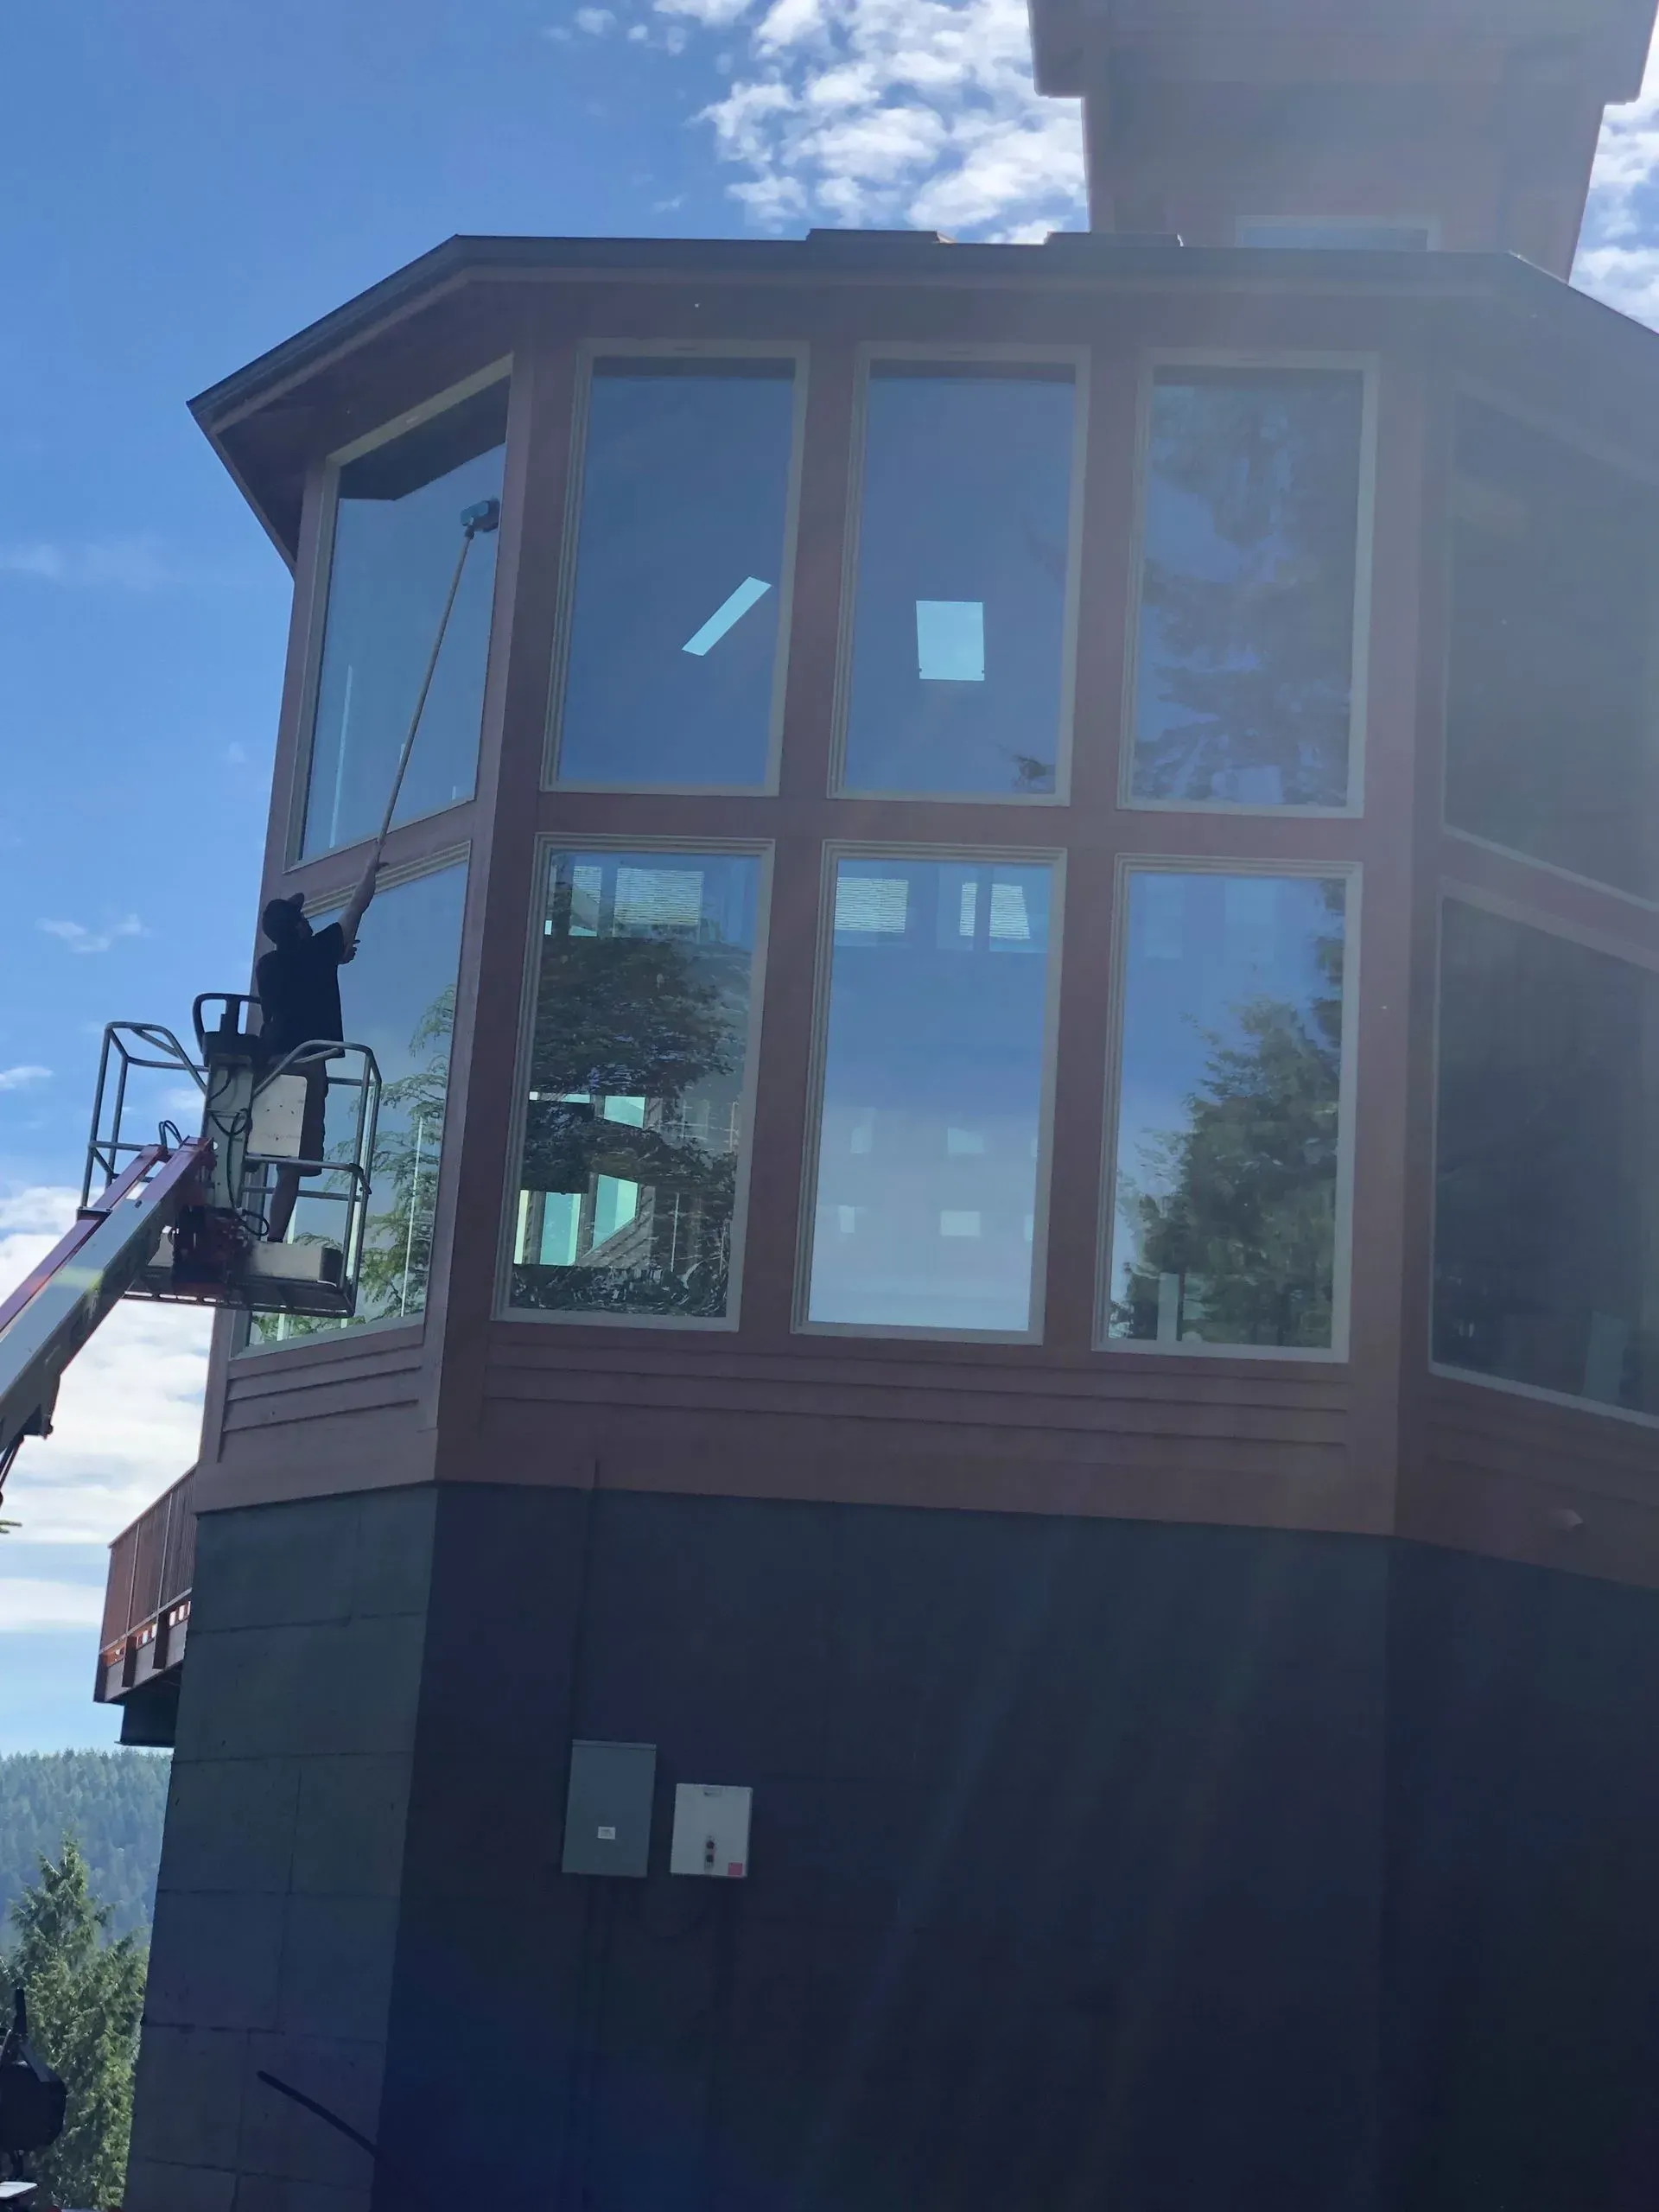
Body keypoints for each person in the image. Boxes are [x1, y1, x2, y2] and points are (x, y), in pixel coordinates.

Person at [256, 852, 379, 1242]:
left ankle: (271, 1233)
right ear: (297, 929)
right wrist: (369, 872)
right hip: (307, 1064)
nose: (308, 922)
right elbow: (356, 908)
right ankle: (275, 1235)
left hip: (274, 1065)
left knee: (276, 1155)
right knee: (294, 1163)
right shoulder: (316, 953)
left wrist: (332, 960)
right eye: (303, 920)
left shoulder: (268, 966)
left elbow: (299, 984)